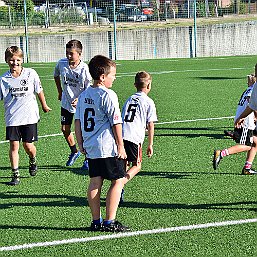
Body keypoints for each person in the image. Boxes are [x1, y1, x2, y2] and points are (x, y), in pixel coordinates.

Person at [74, 55, 130, 232]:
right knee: (118, 181)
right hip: (107, 146)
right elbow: (116, 122)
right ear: (103, 76)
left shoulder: (84, 95)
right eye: (113, 74)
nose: (114, 78)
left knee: (94, 182)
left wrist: (80, 143)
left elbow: (78, 121)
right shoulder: (108, 94)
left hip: (91, 146)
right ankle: (109, 221)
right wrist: (121, 146)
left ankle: (95, 221)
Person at [0, 46, 52, 186]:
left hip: (29, 116)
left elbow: (39, 90)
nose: (14, 63)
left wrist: (44, 105)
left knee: (28, 146)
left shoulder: (31, 73)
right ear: (6, 60)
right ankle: (15, 174)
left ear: (22, 60)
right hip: (12, 118)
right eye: (11, 60)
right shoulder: (3, 79)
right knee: (13, 145)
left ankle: (33, 158)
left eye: (17, 60)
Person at [120, 71, 157, 203]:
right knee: (137, 165)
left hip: (121, 135)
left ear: (135, 84)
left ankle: (119, 189)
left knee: (124, 163)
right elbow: (150, 125)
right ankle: (119, 185)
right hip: (134, 137)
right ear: (149, 85)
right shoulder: (148, 102)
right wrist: (150, 144)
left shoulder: (129, 99)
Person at [54, 39, 91, 169]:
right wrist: (60, 92)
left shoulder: (84, 68)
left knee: (83, 131)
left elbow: (88, 87)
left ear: (79, 54)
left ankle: (88, 158)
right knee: (65, 129)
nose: (68, 56)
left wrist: (80, 99)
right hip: (66, 102)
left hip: (81, 104)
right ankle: (74, 151)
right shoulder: (62, 63)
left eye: (71, 53)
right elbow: (56, 75)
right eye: (67, 53)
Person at [213, 73, 257, 175]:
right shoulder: (252, 91)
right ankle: (221, 153)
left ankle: (247, 168)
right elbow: (252, 104)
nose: (247, 82)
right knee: (247, 145)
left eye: (248, 81)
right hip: (247, 122)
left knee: (255, 143)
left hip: (245, 120)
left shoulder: (249, 89)